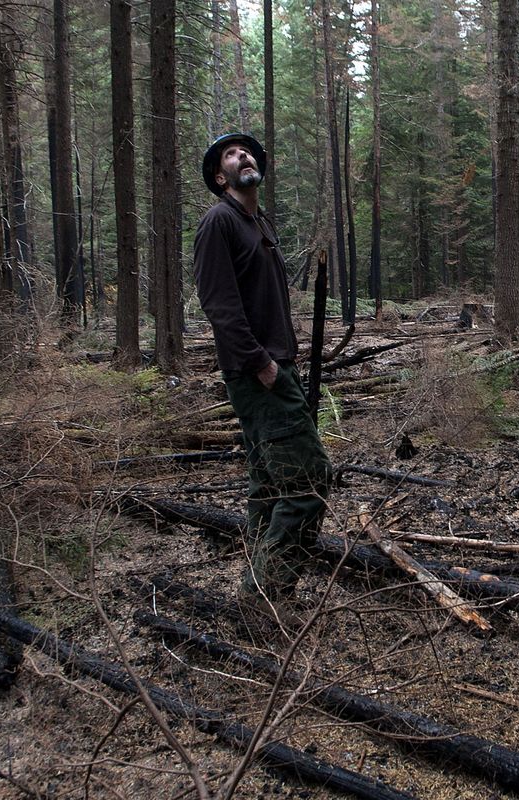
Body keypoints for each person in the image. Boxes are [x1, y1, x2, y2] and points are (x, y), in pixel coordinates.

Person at [193, 132, 332, 612]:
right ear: (220, 176)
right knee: (310, 482)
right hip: (258, 373)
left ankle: (259, 589)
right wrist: (263, 364)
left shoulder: (260, 223)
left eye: (246, 150)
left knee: (270, 485)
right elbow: (220, 306)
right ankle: (262, 595)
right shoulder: (219, 221)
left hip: (274, 364)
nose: (242, 156)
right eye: (230, 154)